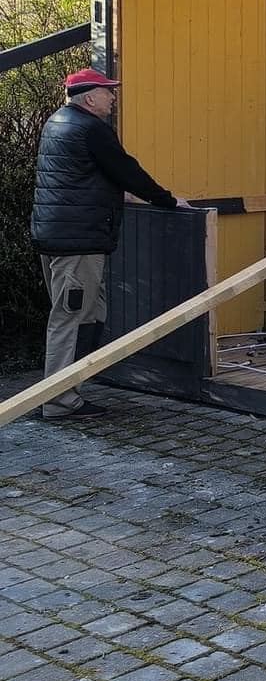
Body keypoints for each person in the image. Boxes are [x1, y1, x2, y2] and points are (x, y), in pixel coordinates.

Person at [30, 68, 184, 420]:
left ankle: (70, 389)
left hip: (58, 236)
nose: (113, 97)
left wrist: (117, 195)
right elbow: (126, 170)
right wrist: (167, 200)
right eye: (107, 91)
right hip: (78, 243)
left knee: (90, 314)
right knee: (70, 320)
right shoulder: (91, 128)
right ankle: (58, 401)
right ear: (89, 98)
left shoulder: (58, 122)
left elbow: (80, 176)